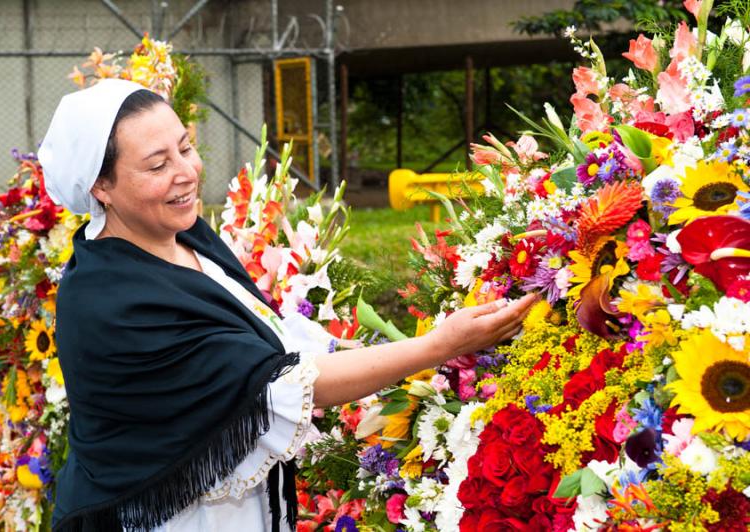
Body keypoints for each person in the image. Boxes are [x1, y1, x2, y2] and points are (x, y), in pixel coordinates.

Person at [38, 79, 536, 532]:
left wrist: (367, 345)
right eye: (157, 164)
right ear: (100, 187)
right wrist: (438, 347)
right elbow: (280, 387)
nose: (186, 173)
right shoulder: (110, 300)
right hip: (176, 515)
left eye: (186, 148)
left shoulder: (183, 235)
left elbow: (265, 331)